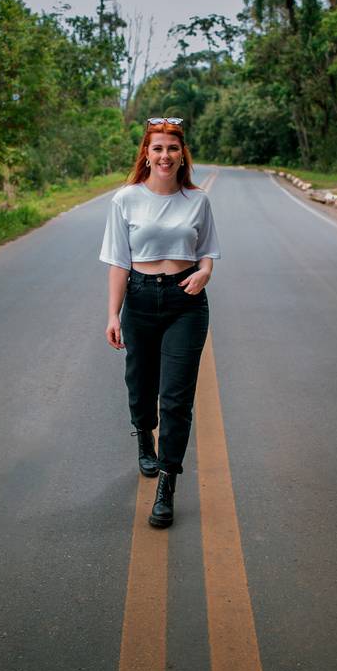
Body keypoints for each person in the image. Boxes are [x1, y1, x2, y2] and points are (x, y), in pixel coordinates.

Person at [99, 117, 221, 528]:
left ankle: (167, 482)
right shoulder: (126, 199)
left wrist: (204, 272)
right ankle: (143, 434)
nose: (165, 155)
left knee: (175, 399)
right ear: (146, 155)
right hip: (138, 298)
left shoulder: (197, 200)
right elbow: (118, 261)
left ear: (182, 154)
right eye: (158, 148)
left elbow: (207, 251)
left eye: (172, 148)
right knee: (140, 384)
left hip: (185, 302)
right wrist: (112, 314)